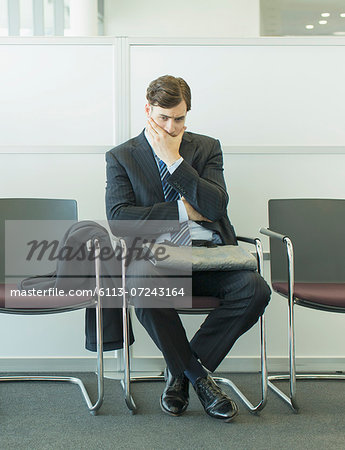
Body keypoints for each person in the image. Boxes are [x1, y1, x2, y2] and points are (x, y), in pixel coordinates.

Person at [105, 75, 271, 422]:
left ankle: (180, 374)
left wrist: (175, 162)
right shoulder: (122, 156)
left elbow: (214, 207)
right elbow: (119, 220)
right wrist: (183, 210)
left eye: (179, 118)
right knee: (140, 283)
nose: (171, 125)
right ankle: (200, 379)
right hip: (158, 263)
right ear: (148, 110)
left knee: (255, 289)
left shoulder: (206, 147)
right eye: (164, 117)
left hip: (211, 258)